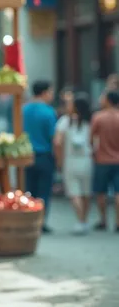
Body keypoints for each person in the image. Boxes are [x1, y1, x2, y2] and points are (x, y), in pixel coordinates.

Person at [54, 93, 93, 234]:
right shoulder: (90, 120)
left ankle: (80, 221)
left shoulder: (65, 121)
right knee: (86, 192)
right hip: (88, 160)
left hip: (70, 161)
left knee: (74, 192)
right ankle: (85, 220)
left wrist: (59, 161)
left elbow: (57, 142)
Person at [23, 80, 57, 232]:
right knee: (43, 191)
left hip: (25, 155)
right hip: (44, 155)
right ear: (44, 93)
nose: (51, 95)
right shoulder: (49, 112)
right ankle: (40, 222)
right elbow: (53, 138)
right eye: (50, 92)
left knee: (29, 190)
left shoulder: (23, 110)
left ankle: (28, 219)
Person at [91, 90, 119, 231]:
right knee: (117, 192)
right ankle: (118, 221)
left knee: (101, 192)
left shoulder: (98, 117)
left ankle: (103, 220)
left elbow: (91, 138)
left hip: (102, 159)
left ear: (108, 100)